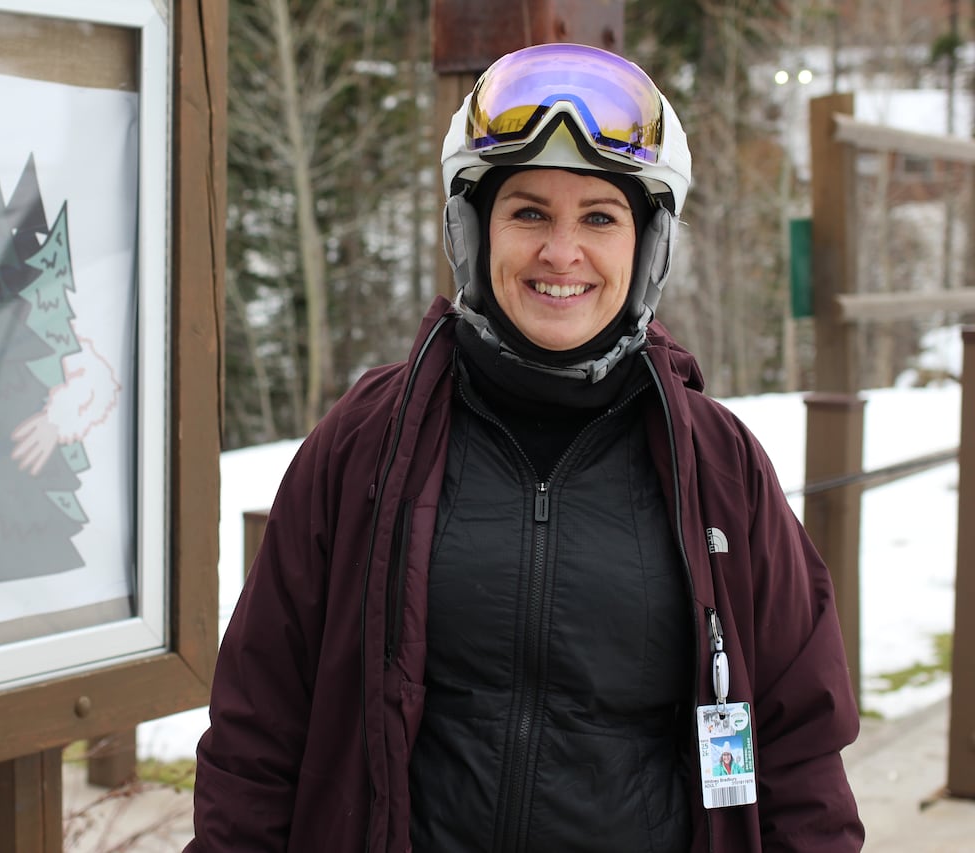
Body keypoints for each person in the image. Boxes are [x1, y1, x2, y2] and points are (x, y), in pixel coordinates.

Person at [187, 43, 863, 853]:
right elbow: (258, 730)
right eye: (530, 212)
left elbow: (800, 751)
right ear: (474, 231)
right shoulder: (370, 441)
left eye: (600, 218)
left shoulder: (718, 468)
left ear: (647, 246)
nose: (561, 252)